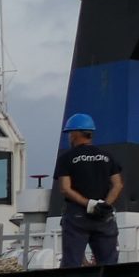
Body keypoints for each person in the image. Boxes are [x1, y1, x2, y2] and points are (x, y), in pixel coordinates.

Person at [53, 114, 124, 267]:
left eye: (70, 133)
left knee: (72, 263)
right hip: (103, 217)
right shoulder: (107, 156)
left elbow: (65, 188)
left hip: (77, 216)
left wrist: (89, 204)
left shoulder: (66, 158)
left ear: (75, 134)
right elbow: (118, 185)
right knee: (109, 264)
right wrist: (103, 205)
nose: (69, 137)